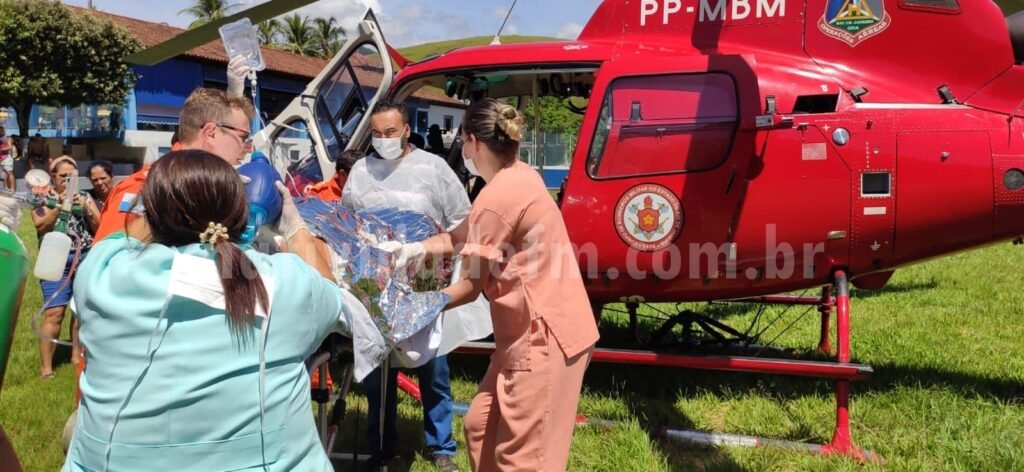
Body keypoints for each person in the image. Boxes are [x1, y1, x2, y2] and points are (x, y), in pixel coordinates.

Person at [61, 150, 348, 471]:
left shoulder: (102, 271)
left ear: (151, 213)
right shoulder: (283, 284)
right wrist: (295, 228)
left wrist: (172, 195)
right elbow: (330, 292)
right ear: (240, 215)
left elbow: (127, 235)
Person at [386, 99, 599, 471]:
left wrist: (419, 305)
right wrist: (417, 248)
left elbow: (471, 286)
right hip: (529, 332)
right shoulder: (520, 175)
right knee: (481, 426)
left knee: (524, 459)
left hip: (544, 337)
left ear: (473, 142)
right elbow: (469, 235)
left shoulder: (496, 197)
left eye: (463, 143)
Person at [342, 100, 470, 471]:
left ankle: (441, 447)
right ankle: (381, 446)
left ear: (407, 130)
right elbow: (348, 222)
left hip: (425, 280)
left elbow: (462, 225)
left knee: (433, 367)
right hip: (377, 284)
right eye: (376, 133)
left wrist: (424, 252)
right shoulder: (361, 172)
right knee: (377, 370)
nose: (383, 139)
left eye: (390, 132)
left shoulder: (433, 168)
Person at [93, 87, 256, 242]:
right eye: (243, 137)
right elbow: (107, 258)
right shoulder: (145, 188)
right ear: (211, 133)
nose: (248, 148)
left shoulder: (212, 188)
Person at [32, 156, 100, 379]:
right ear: (53, 177)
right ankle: (46, 369)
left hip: (83, 255)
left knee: (79, 310)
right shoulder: (43, 197)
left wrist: (86, 208)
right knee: (54, 312)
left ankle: (75, 356)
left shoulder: (85, 197)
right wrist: (61, 205)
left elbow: (100, 226)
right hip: (55, 257)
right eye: (63, 176)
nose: (68, 180)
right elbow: (41, 225)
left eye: (72, 176)